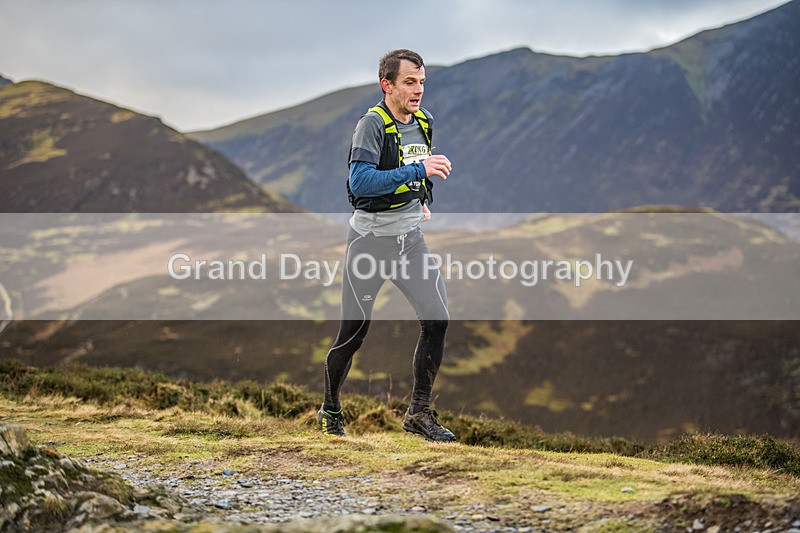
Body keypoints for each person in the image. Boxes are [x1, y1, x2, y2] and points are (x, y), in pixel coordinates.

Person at [317, 49, 456, 441]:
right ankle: (330, 410)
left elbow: (416, 170)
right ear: (387, 85)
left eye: (422, 82)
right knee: (353, 333)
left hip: (409, 242)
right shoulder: (371, 126)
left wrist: (421, 197)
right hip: (369, 244)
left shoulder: (423, 122)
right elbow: (360, 183)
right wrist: (418, 171)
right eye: (410, 82)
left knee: (438, 320)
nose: (418, 90)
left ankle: (418, 414)